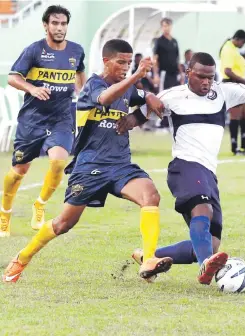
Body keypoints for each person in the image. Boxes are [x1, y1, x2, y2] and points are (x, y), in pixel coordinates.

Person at [2, 39, 173, 283]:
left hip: (121, 165)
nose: (125, 66)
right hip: (90, 166)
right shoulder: (93, 85)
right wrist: (136, 77)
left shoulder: (127, 88)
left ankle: (148, 259)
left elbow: (139, 103)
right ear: (106, 61)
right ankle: (22, 258)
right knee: (63, 224)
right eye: (121, 62)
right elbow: (105, 98)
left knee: (151, 195)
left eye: (129, 62)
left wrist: (149, 97)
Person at [131, 52, 245, 285]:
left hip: (208, 173)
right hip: (185, 166)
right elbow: (133, 119)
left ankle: (151, 257)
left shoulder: (223, 92)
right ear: (187, 72)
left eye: (210, 77)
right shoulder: (172, 96)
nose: (206, 82)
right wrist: (145, 98)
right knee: (203, 210)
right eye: (201, 76)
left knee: (212, 242)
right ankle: (205, 265)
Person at [0, 6, 86, 237]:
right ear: (45, 25)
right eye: (55, 23)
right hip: (33, 119)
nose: (59, 28)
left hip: (61, 117)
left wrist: (82, 90)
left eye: (63, 24)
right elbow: (12, 77)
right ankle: (4, 213)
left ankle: (39, 205)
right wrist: (32, 88)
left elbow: (79, 72)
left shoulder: (76, 50)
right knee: (18, 171)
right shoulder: (35, 50)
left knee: (59, 163)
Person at [220, 30, 245, 156]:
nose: (243, 45)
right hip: (232, 84)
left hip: (239, 85)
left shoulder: (233, 49)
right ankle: (235, 147)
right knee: (235, 115)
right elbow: (227, 71)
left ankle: (244, 145)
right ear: (238, 39)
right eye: (243, 42)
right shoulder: (228, 50)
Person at [153, 17, 184, 129]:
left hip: (174, 73)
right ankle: (160, 120)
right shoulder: (159, 41)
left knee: (174, 95)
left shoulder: (174, 41)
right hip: (163, 73)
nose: (166, 28)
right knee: (163, 95)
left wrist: (181, 74)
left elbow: (177, 59)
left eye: (168, 25)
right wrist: (156, 74)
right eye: (164, 26)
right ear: (162, 27)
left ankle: (171, 120)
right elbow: (155, 59)